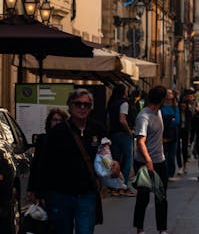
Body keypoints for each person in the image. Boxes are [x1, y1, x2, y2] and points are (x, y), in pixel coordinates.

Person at [34, 87, 105, 234]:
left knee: (85, 231)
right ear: (70, 106)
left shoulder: (97, 129)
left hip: (87, 193)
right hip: (61, 194)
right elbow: (45, 164)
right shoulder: (58, 132)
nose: (82, 107)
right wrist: (40, 193)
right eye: (78, 104)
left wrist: (113, 166)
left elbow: (105, 156)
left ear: (91, 108)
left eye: (86, 104)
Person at [133, 85, 168, 234]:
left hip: (160, 160)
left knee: (161, 197)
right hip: (144, 162)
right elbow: (140, 141)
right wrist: (148, 161)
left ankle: (162, 229)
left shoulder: (158, 112)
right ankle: (140, 229)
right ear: (161, 100)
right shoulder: (143, 116)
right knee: (143, 197)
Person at [27, 107, 68, 203]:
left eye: (60, 120)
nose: (57, 122)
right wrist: (31, 189)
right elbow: (36, 164)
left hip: (63, 189)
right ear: (50, 122)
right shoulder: (42, 140)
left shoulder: (68, 140)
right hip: (45, 188)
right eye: (54, 120)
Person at [106, 84, 134, 190]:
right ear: (123, 92)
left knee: (115, 161)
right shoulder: (124, 103)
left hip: (113, 134)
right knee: (127, 160)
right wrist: (129, 131)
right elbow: (122, 119)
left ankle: (114, 184)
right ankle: (124, 184)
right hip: (123, 134)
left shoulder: (111, 103)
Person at [161, 88, 180, 179]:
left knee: (172, 155)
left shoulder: (175, 106)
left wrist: (168, 120)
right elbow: (161, 119)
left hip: (173, 133)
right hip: (163, 133)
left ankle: (171, 172)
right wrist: (170, 119)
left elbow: (177, 121)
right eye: (167, 93)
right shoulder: (161, 106)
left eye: (170, 93)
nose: (169, 94)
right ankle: (164, 172)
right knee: (164, 154)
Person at [176, 97, 192, 174]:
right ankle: (180, 166)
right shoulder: (177, 111)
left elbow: (190, 123)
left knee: (184, 148)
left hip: (185, 132)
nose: (183, 105)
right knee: (177, 148)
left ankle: (185, 164)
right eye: (182, 103)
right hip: (178, 131)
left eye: (184, 104)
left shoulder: (188, 112)